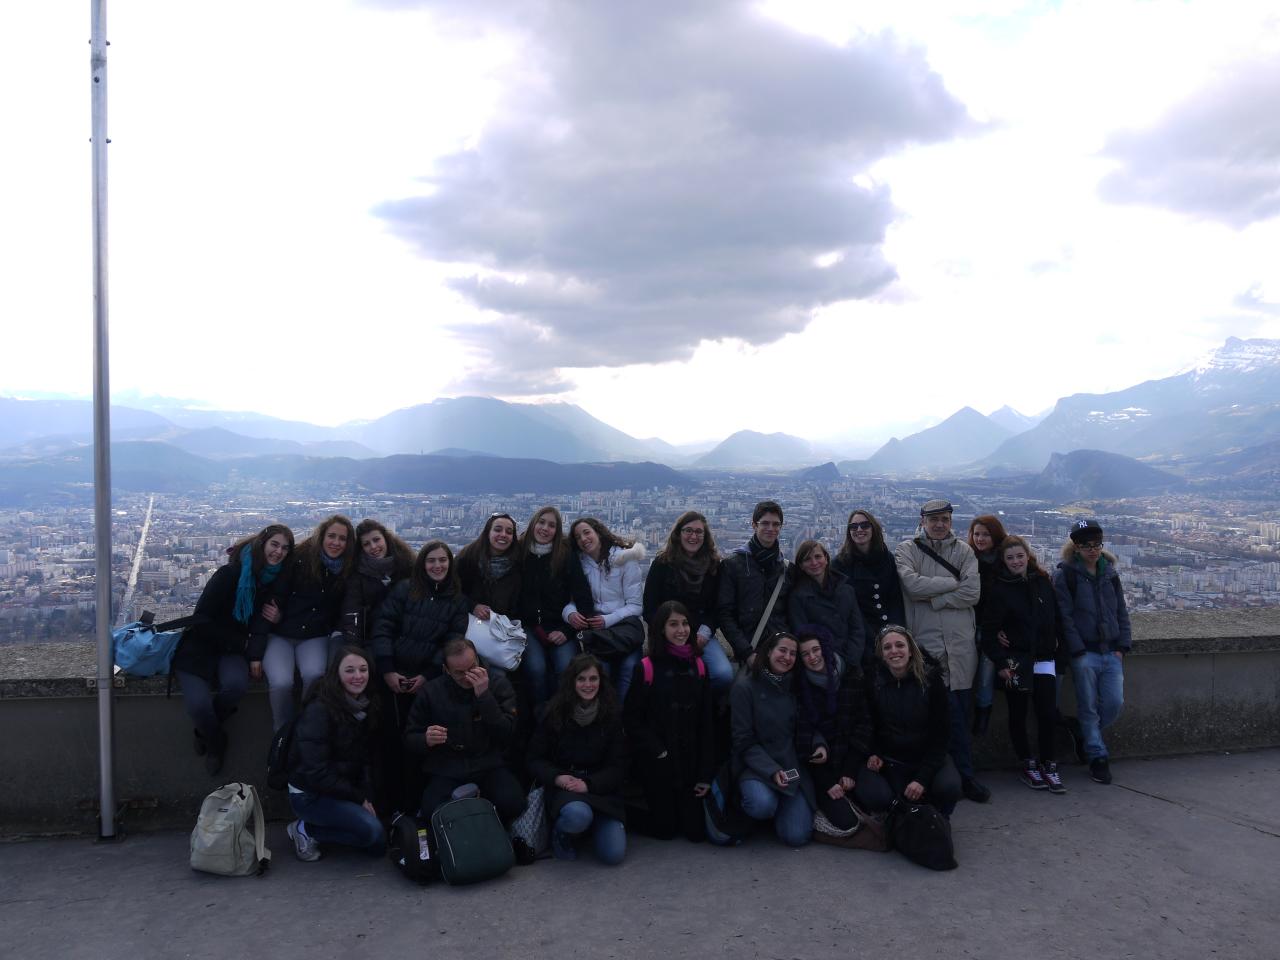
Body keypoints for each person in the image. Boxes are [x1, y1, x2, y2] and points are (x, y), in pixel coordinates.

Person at [173, 524, 294, 775]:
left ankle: (204, 732)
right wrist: (243, 644)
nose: (278, 552)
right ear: (262, 543)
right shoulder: (230, 574)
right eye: (274, 544)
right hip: (201, 646)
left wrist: (279, 618)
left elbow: (263, 624)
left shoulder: (274, 580)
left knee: (236, 686)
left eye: (285, 548)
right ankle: (217, 741)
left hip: (233, 649)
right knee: (198, 706)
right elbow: (201, 619)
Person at [894, 499, 989, 804]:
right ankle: (961, 777)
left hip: (960, 649)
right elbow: (912, 586)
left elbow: (972, 592)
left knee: (960, 714)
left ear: (950, 521)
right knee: (945, 719)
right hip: (927, 647)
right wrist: (951, 582)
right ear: (922, 521)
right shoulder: (907, 550)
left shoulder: (964, 551)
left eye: (944, 519)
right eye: (933, 519)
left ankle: (954, 777)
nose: (939, 524)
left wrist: (935, 599)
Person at [370, 540, 470, 813]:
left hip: (430, 681)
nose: (437, 566)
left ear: (450, 564)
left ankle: (418, 806)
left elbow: (451, 643)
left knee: (423, 744)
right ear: (422, 564)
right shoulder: (404, 590)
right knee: (390, 742)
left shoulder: (458, 601)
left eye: (442, 560)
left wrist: (427, 675)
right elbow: (383, 627)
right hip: (393, 674)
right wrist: (387, 669)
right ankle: (391, 806)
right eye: (431, 560)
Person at [403, 637, 525, 825]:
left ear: (477, 659)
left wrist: (484, 696)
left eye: (472, 667)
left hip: (488, 763)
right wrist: (425, 739)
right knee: (432, 811)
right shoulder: (431, 692)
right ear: (446, 670)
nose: (468, 676)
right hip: (448, 766)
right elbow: (410, 737)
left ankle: (490, 829)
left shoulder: (498, 684)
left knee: (513, 802)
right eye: (459, 672)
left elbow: (507, 732)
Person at [253, 514, 357, 732]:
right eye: (331, 536)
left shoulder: (347, 571)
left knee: (315, 675)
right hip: (280, 635)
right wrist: (255, 654)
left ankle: (307, 727)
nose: (336, 542)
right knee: (281, 683)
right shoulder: (298, 560)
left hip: (314, 636)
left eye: (342, 538)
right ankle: (282, 732)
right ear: (322, 537)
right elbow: (269, 607)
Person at [623, 601, 716, 841]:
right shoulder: (646, 667)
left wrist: (705, 775)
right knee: (665, 830)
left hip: (690, 766)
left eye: (685, 623)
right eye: (673, 624)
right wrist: (658, 751)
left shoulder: (699, 666)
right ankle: (616, 812)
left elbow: (707, 723)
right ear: (661, 629)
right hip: (658, 764)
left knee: (695, 833)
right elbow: (631, 719)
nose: (681, 630)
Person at [284, 645, 385, 862]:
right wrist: (359, 798)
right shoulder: (319, 709)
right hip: (310, 794)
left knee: (378, 845)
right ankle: (306, 829)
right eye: (349, 670)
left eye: (363, 669)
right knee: (372, 832)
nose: (358, 676)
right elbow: (316, 772)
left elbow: (365, 758)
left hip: (341, 786)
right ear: (336, 674)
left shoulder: (364, 704)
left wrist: (368, 795)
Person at [981, 535, 1066, 793]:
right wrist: (1000, 662)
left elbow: (1056, 618)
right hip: (1015, 661)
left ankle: (1049, 763)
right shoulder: (999, 589)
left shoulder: (1042, 582)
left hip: (1044, 658)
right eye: (1010, 558)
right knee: (1017, 714)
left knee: (1047, 713)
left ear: (1028, 556)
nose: (1016, 561)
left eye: (1020, 556)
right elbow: (989, 632)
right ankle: (1027, 762)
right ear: (1003, 561)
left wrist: (1058, 650)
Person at [528, 653, 629, 864]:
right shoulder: (554, 713)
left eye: (593, 679)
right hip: (567, 788)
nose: (588, 685)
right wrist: (557, 778)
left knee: (614, 854)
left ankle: (589, 828)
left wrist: (589, 784)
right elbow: (534, 759)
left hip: (600, 790)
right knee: (578, 816)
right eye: (581, 679)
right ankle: (562, 833)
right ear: (571, 682)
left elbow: (619, 766)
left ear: (601, 681)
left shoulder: (612, 713)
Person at [1053, 519, 1131, 785]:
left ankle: (1084, 734)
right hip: (1084, 652)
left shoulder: (1109, 572)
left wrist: (1122, 646)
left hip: (1111, 650)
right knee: (1087, 706)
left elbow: (1121, 611)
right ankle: (1097, 756)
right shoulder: (1066, 575)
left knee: (1114, 703)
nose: (1093, 549)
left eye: (1097, 544)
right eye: (1087, 545)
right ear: (1076, 547)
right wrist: (1077, 650)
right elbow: (1064, 617)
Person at [856, 626, 962, 815]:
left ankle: (939, 817)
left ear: (911, 650)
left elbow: (942, 736)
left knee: (948, 787)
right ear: (881, 654)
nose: (894, 651)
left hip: (926, 757)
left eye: (900, 645)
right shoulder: (872, 682)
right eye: (887, 647)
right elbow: (869, 725)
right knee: (876, 796)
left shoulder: (931, 681)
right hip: (890, 759)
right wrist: (874, 753)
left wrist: (922, 779)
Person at [729, 631, 813, 847]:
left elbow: (808, 724)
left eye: (793, 653)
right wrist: (772, 770)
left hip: (791, 767)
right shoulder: (744, 687)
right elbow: (742, 739)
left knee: (796, 836)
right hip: (757, 768)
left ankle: (780, 809)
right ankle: (760, 807)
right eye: (782, 650)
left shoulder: (795, 685)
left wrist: (819, 744)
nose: (787, 657)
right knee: (762, 804)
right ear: (768, 652)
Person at [642, 511, 732, 691]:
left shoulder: (713, 566)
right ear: (678, 534)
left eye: (699, 532)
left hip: (700, 633)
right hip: (665, 634)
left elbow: (717, 607)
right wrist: (667, 631)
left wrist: (705, 632)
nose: (693, 536)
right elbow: (650, 606)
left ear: (705, 536)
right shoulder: (662, 563)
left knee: (723, 674)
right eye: (688, 530)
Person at [794, 628, 872, 830]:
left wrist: (850, 771)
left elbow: (864, 725)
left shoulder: (850, 674)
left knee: (876, 799)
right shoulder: (801, 687)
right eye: (805, 654)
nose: (812, 657)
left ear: (824, 649)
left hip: (852, 758)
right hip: (823, 767)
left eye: (815, 650)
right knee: (847, 822)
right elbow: (803, 736)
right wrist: (827, 782)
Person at [563, 517, 646, 699]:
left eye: (587, 532)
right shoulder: (578, 563)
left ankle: (622, 712)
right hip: (597, 634)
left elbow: (635, 605)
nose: (583, 539)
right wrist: (570, 614)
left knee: (630, 669)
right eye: (578, 537)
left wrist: (607, 620)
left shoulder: (625, 559)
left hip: (624, 630)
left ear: (598, 532)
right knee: (599, 672)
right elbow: (570, 600)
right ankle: (604, 713)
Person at [718, 501, 790, 669]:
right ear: (754, 525)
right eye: (765, 523)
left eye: (776, 524)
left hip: (781, 650)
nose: (771, 528)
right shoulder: (733, 565)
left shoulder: (787, 569)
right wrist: (746, 652)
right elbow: (724, 613)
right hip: (750, 650)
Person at [516, 505, 573, 707]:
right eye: (541, 522)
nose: (545, 528)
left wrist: (567, 630)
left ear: (557, 531)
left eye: (551, 525)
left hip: (560, 626)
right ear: (533, 523)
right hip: (528, 627)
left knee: (566, 668)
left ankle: (560, 713)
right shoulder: (519, 552)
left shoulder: (565, 555)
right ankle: (540, 715)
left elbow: (581, 593)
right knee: (536, 669)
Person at [832, 508, 905, 645]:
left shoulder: (886, 558)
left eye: (865, 525)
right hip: (861, 637)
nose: (859, 529)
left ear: (873, 528)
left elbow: (895, 598)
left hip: (891, 633)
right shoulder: (840, 564)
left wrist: (897, 631)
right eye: (853, 527)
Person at [788, 539, 867, 667]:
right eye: (807, 559)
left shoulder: (847, 590)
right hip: (821, 665)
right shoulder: (797, 597)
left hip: (850, 663)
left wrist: (850, 660)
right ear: (801, 566)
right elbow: (803, 634)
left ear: (826, 559)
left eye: (818, 556)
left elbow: (857, 629)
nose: (814, 563)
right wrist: (828, 663)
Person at [341, 519, 414, 649]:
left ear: (386, 539)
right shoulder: (357, 574)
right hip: (370, 639)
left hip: (405, 638)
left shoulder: (406, 566)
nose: (373, 547)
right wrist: (354, 648)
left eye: (376, 540)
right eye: (366, 544)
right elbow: (352, 614)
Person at [967, 514, 1008, 736]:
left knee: (986, 670)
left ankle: (983, 711)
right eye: (977, 534)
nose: (980, 539)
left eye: (986, 534)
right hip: (969, 624)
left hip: (993, 627)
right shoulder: (966, 559)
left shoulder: (1006, 561)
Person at [457, 512, 523, 625]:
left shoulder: (519, 564)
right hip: (469, 624)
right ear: (488, 533)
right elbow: (451, 590)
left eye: (509, 532)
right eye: (498, 530)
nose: (503, 534)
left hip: (505, 627)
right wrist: (472, 606)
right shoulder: (468, 557)